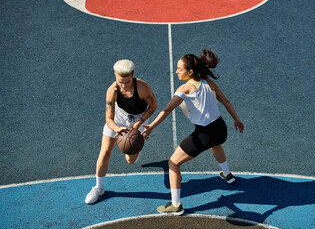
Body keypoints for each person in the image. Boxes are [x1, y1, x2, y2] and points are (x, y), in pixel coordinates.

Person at [141, 48, 245, 215]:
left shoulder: (185, 89)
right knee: (216, 144)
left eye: (179, 69)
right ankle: (227, 175)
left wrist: (151, 126)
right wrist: (237, 119)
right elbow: (225, 101)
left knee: (173, 163)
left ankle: (176, 205)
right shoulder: (208, 83)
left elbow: (167, 109)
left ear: (190, 71)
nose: (176, 71)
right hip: (220, 128)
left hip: (203, 134)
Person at [85, 59, 157, 205]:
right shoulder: (112, 91)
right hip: (118, 120)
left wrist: (138, 124)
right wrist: (118, 129)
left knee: (130, 160)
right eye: (120, 81)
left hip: (138, 119)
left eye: (127, 81)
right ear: (115, 76)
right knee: (105, 152)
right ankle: (99, 188)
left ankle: (136, 145)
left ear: (132, 75)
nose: (123, 85)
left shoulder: (142, 88)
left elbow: (153, 106)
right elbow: (109, 118)